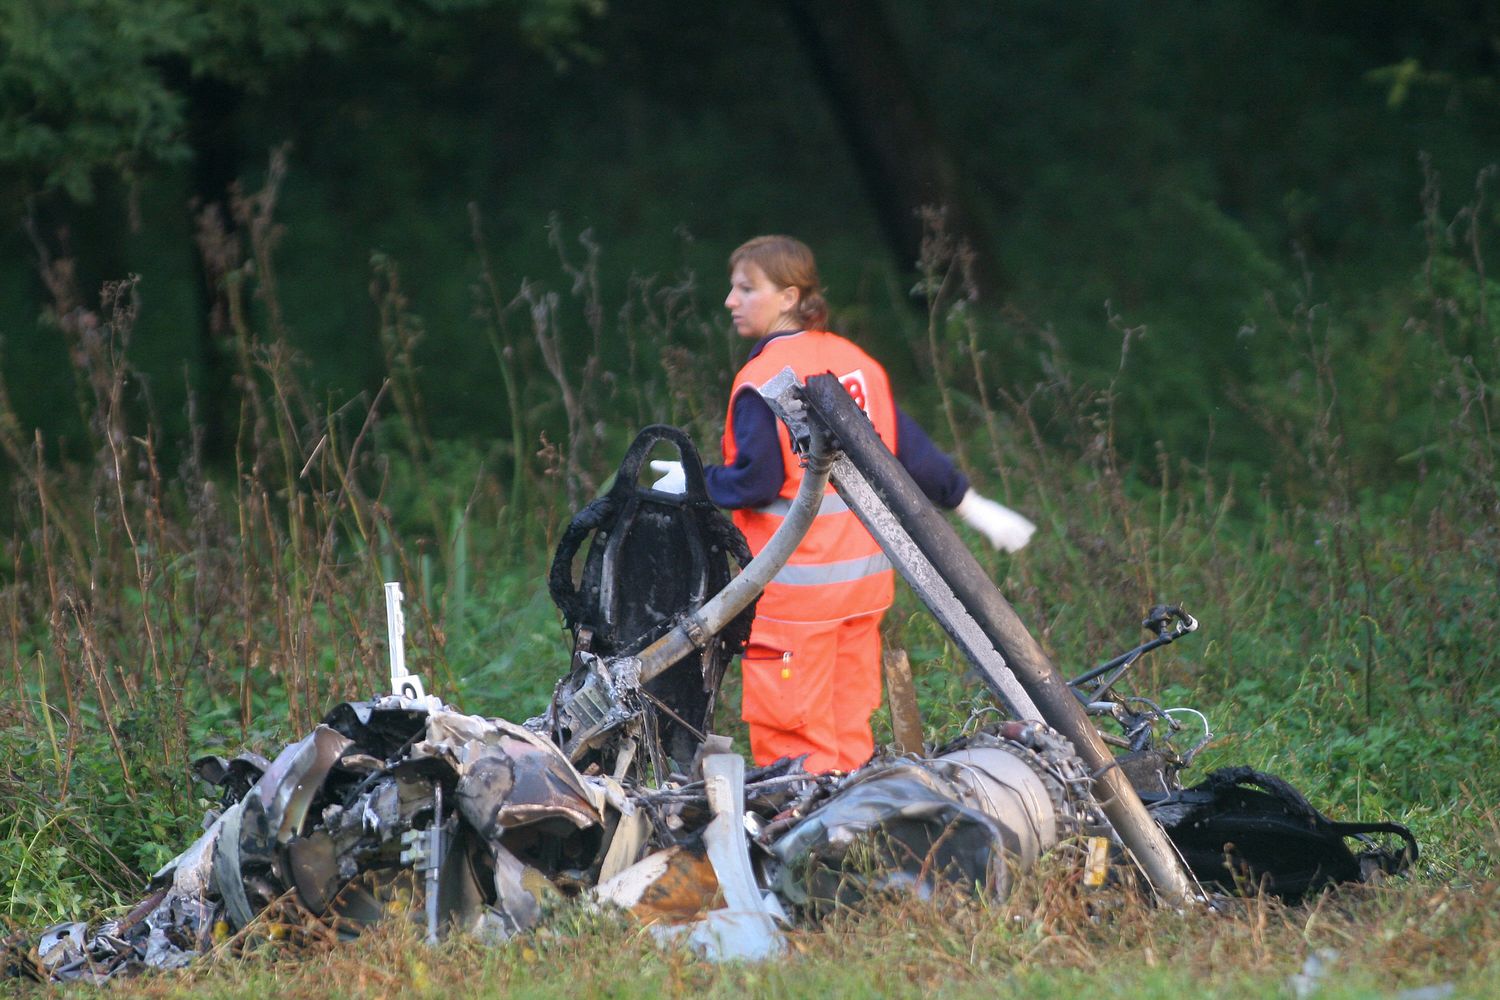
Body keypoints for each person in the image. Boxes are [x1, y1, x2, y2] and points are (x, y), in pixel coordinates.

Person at [652, 235, 1034, 773]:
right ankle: (856, 830)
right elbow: (910, 451)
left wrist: (693, 481)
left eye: (745, 289)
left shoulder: (763, 380)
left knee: (793, 737)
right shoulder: (853, 362)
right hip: (860, 595)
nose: (730, 301)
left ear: (788, 296)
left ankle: (805, 843)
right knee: (847, 723)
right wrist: (971, 504)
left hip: (794, 602)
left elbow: (757, 482)